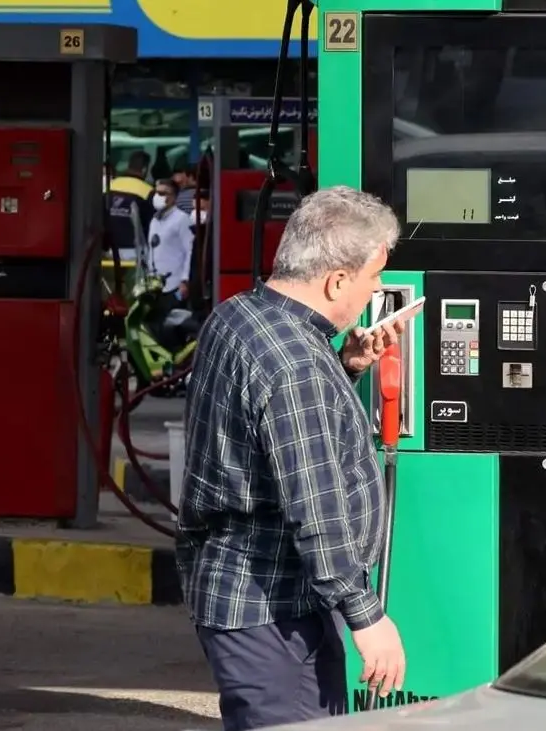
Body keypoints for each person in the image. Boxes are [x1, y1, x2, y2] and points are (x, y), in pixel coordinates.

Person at [178, 186, 406, 731]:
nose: (375, 290)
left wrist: (343, 367)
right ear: (336, 281)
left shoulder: (239, 316)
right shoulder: (297, 366)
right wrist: (367, 617)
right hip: (274, 608)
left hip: (241, 595)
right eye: (374, 278)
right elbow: (317, 507)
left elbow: (267, 433)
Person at [144, 178, 198, 350]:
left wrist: (185, 280)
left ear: (174, 198)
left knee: (170, 329)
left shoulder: (181, 220)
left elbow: (190, 250)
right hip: (155, 286)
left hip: (173, 285)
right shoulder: (154, 220)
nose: (157, 197)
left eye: (163, 193)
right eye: (156, 193)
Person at [105, 151, 155, 260]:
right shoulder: (147, 191)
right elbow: (152, 223)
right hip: (134, 250)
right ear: (145, 169)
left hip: (109, 248)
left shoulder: (110, 186)